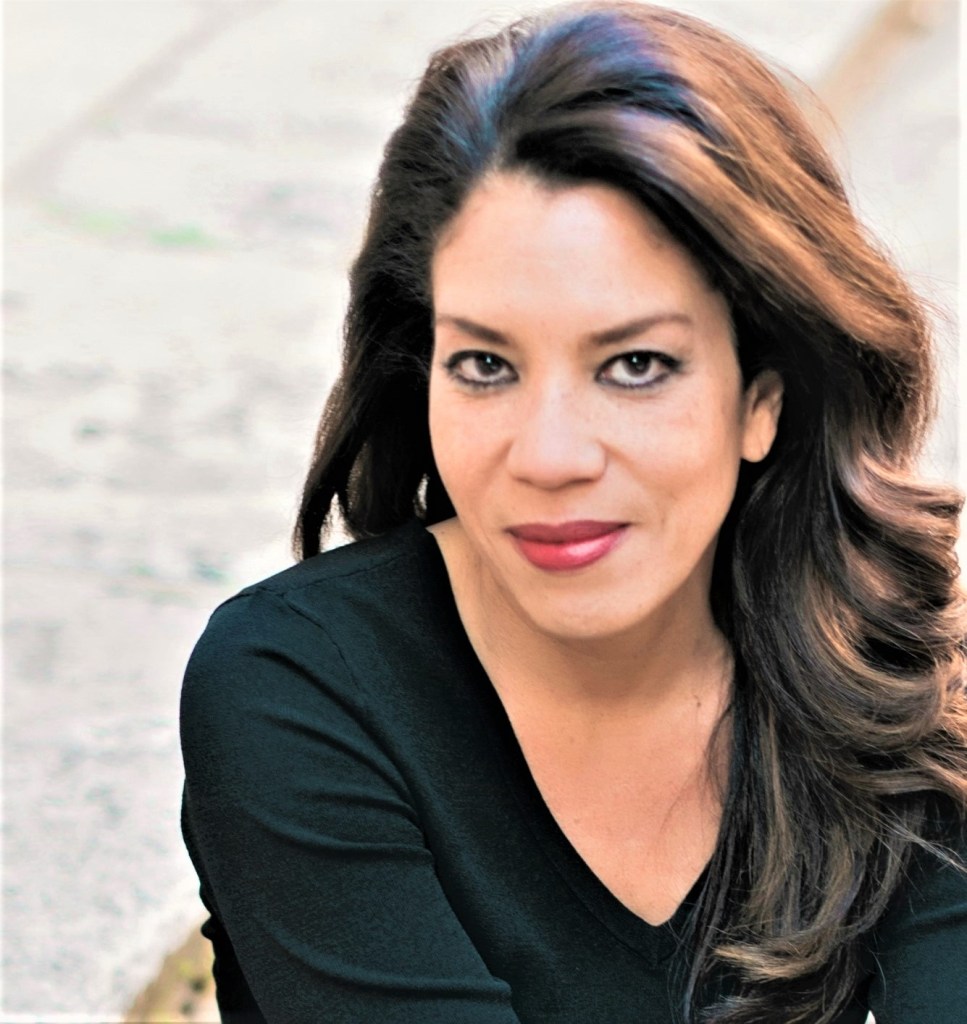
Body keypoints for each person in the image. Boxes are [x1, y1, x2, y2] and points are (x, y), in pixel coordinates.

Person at [179, 3, 967, 1022]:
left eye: (634, 365)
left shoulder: (892, 667)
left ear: (761, 399)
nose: (549, 457)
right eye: (484, 364)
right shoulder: (302, 689)